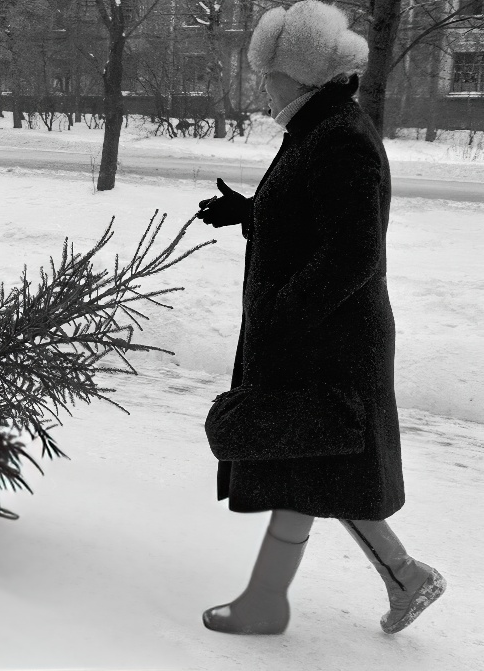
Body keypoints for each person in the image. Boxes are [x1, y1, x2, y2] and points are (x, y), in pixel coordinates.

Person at [196, 0, 445, 635]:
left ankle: (269, 602)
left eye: (269, 71)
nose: (263, 83)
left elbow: (353, 253)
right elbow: (308, 220)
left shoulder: (341, 139)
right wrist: (249, 212)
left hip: (327, 343)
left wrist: (284, 316)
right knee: (315, 471)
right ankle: (402, 577)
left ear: (302, 74)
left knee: (308, 468)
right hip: (318, 338)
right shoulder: (319, 128)